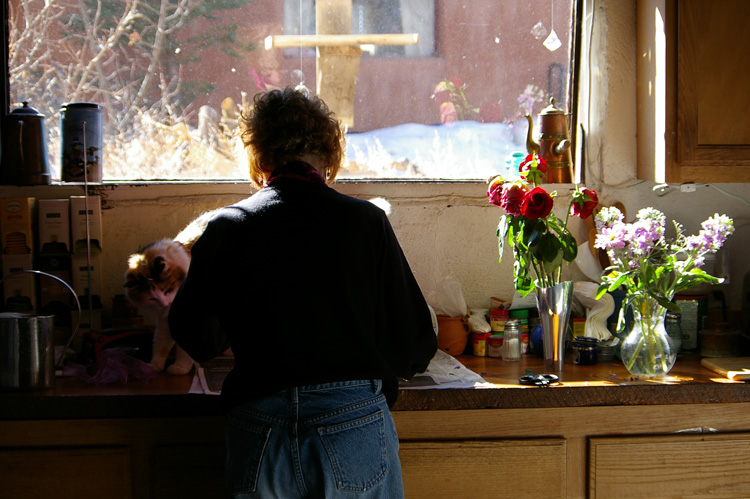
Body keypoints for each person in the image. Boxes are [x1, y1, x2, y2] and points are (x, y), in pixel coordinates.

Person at [168, 86, 438, 498]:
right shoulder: (365, 222)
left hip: (259, 428)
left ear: (258, 157)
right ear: (329, 156)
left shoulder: (226, 227)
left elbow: (197, 339)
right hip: (353, 425)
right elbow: (414, 347)